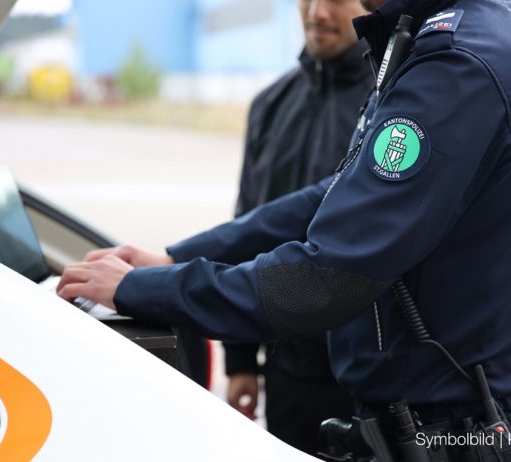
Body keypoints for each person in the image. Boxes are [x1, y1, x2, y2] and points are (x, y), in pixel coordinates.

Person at [58, 0, 511, 458]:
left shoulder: (455, 66)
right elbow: (336, 197)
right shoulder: (430, 42)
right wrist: (176, 259)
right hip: (411, 411)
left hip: (453, 428)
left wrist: (145, 289)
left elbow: (325, 278)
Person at [224, 0, 373, 455]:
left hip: (370, 382)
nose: (317, 13)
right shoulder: (270, 104)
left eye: (337, 0)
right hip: (287, 374)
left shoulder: (393, 104)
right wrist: (241, 360)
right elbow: (245, 228)